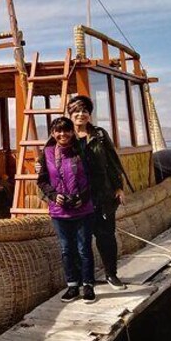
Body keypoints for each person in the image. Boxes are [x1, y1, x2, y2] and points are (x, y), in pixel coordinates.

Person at [67, 95, 129, 291]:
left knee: (106, 236)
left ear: (89, 114)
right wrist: (38, 165)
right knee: (79, 240)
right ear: (70, 113)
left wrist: (118, 187)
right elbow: (49, 159)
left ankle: (111, 274)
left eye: (85, 110)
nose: (81, 114)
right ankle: (85, 280)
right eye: (77, 110)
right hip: (77, 197)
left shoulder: (100, 135)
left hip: (102, 194)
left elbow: (112, 162)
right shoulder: (63, 134)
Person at [37, 117, 97, 303]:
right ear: (53, 133)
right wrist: (54, 196)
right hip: (59, 211)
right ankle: (72, 286)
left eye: (66, 130)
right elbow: (42, 181)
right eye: (58, 131)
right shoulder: (46, 153)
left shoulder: (83, 150)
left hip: (83, 209)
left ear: (72, 132)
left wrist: (83, 198)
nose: (62, 134)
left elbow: (94, 177)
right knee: (66, 249)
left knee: (84, 249)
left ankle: (88, 285)